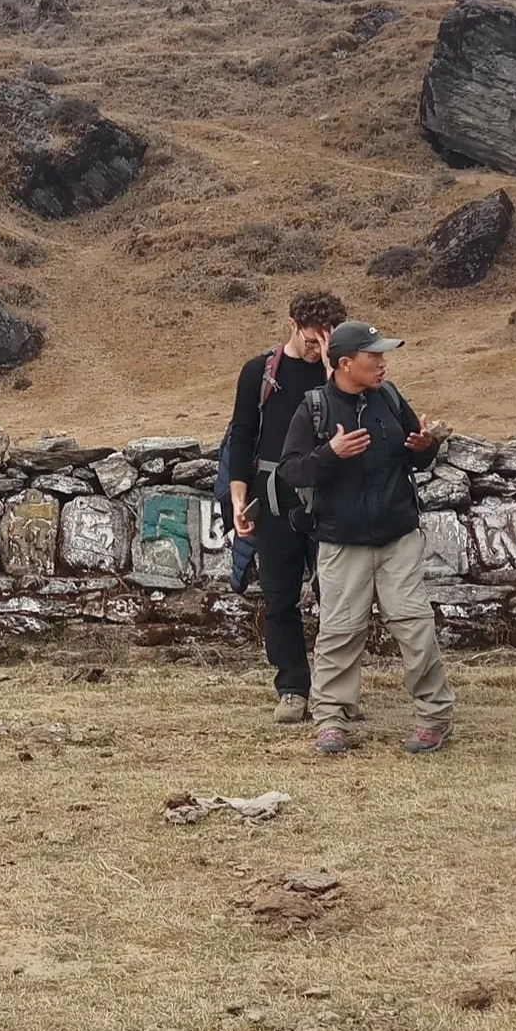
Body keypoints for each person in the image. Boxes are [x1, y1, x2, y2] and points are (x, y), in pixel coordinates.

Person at [277, 320, 454, 755]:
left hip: (398, 538)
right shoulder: (313, 408)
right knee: (339, 631)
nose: (382, 362)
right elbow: (292, 470)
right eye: (373, 356)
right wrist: (329, 454)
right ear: (344, 363)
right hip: (340, 542)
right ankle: (332, 719)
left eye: (383, 354)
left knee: (415, 627)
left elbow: (419, 455)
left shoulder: (390, 399)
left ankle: (434, 718)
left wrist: (423, 447)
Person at [225, 291, 349, 724]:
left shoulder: (343, 371)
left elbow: (354, 423)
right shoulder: (260, 372)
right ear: (291, 325)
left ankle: (335, 692)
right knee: (279, 597)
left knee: (337, 597)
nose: (318, 350)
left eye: (326, 342)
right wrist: (239, 498)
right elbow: (242, 435)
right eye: (312, 341)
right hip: (274, 496)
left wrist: (335, 371)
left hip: (331, 494)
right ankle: (293, 688)